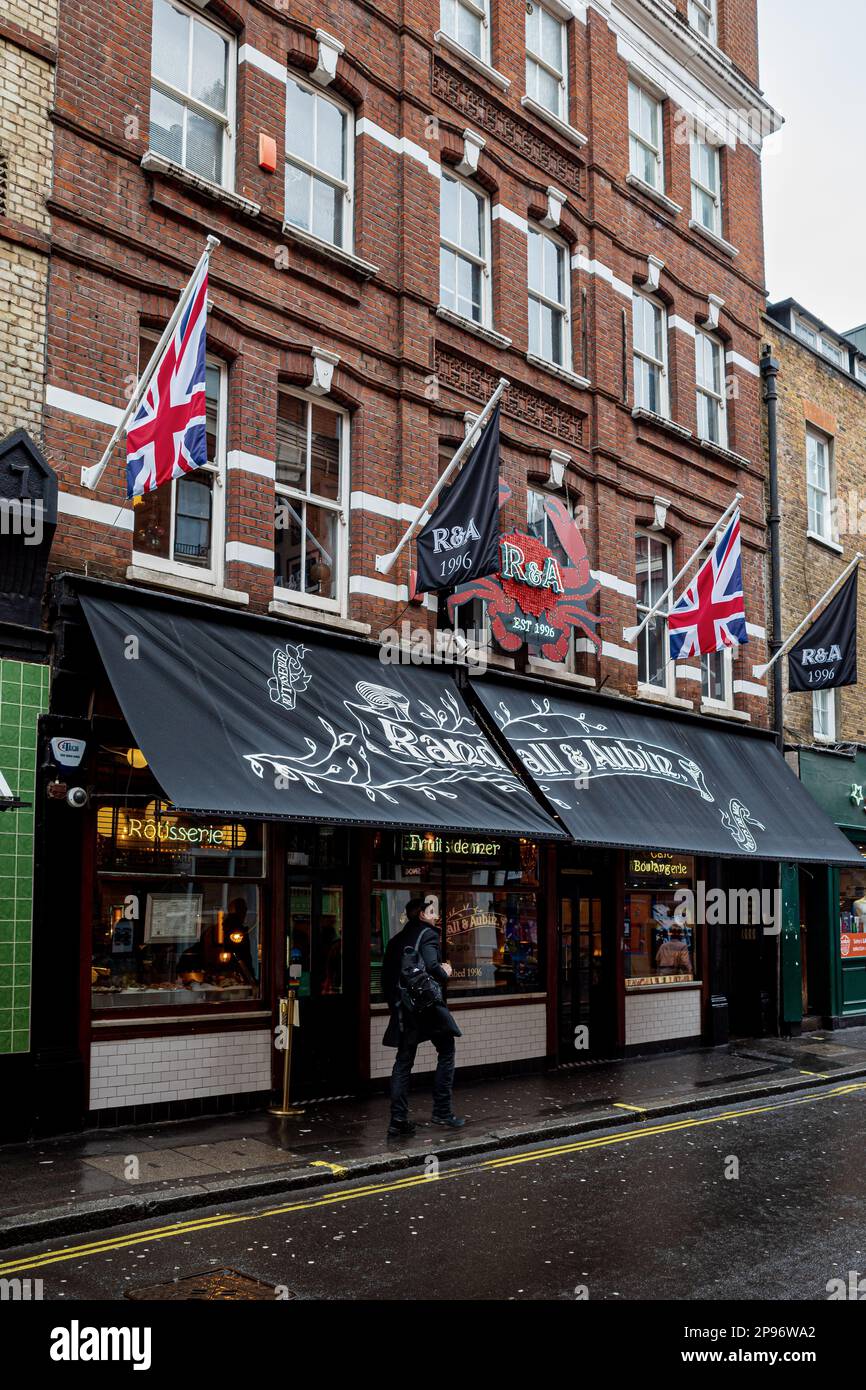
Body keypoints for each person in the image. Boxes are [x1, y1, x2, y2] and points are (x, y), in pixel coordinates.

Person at [381, 893, 464, 1137]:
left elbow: (386, 979)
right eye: (432, 912)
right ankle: (442, 1111)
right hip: (426, 1008)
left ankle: (397, 1120)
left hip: (403, 1009)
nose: (437, 916)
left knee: (403, 1061)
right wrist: (445, 970)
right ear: (421, 914)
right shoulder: (428, 935)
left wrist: (396, 1005)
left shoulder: (396, 940)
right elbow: (431, 967)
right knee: (447, 1049)